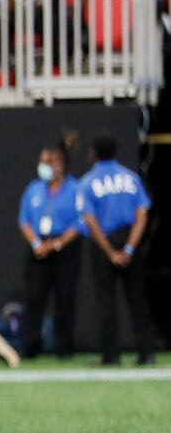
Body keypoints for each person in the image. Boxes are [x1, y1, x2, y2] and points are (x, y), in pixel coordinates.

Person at [76, 136, 154, 366]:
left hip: (104, 243)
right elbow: (142, 215)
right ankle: (146, 353)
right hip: (130, 239)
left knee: (106, 301)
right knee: (137, 299)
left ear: (95, 152)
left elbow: (90, 221)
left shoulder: (88, 181)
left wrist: (110, 251)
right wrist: (129, 247)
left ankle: (111, 356)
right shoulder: (131, 178)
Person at [17, 139, 82, 359]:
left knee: (65, 298)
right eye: (42, 161)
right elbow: (24, 219)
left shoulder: (75, 188)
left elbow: (79, 222)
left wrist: (56, 244)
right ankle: (30, 345)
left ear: (60, 164)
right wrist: (37, 243)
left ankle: (64, 347)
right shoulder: (34, 188)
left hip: (64, 248)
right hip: (38, 247)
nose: (43, 165)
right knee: (34, 298)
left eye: (48, 161)